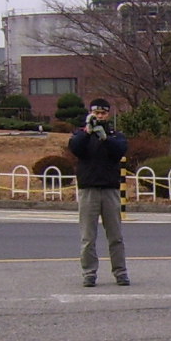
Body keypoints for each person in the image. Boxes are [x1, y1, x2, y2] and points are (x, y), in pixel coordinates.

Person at [69, 97, 129, 287]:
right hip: (88, 190)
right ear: (90, 113)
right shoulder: (81, 134)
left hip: (110, 190)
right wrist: (87, 132)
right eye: (96, 113)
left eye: (103, 113)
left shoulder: (115, 135)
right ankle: (89, 273)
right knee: (88, 237)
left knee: (115, 236)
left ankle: (120, 272)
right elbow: (75, 148)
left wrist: (105, 138)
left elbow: (119, 150)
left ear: (108, 114)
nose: (99, 116)